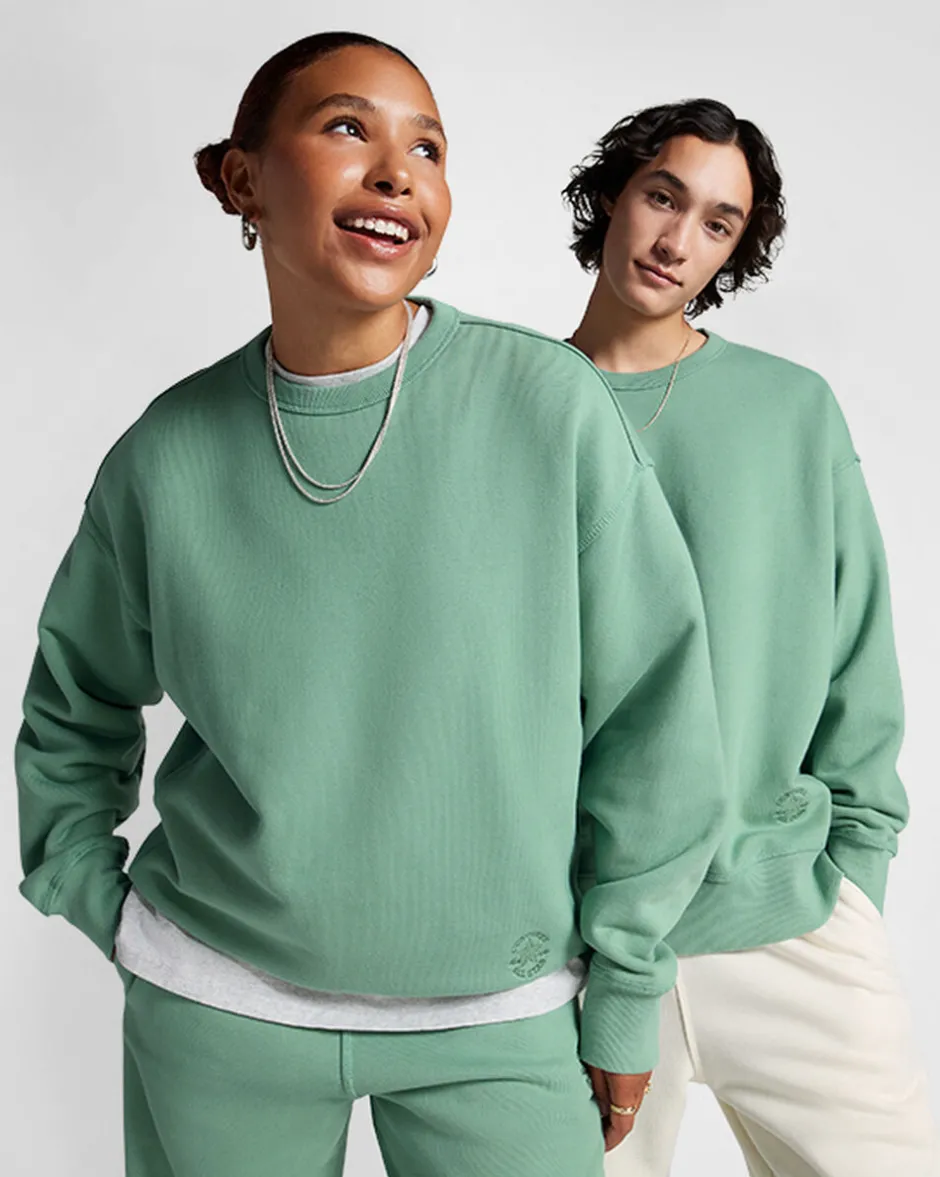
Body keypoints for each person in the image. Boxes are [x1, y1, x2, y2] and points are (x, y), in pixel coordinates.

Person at [14, 34, 726, 1177]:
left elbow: (657, 711)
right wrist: (100, 899)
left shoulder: (545, 407)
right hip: (219, 1015)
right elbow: (74, 703)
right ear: (244, 178)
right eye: (348, 127)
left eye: (427, 148)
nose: (398, 172)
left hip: (501, 1020)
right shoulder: (166, 453)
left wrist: (629, 986)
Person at [564, 97, 938, 1175]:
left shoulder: (789, 410)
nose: (677, 240)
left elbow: (857, 656)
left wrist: (851, 881)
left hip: (783, 920)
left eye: (717, 223)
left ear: (735, 249)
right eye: (662, 197)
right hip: (577, 945)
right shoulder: (519, 408)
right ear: (613, 196)